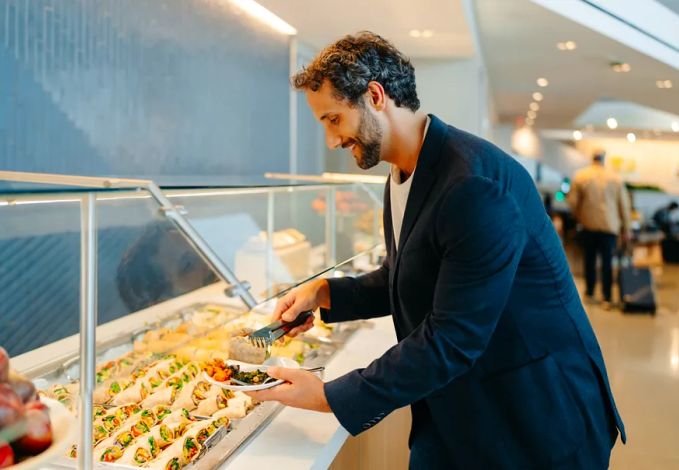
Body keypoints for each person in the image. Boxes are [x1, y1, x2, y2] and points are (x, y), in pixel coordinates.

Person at [247, 32, 625, 469]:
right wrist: (325, 292)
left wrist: (331, 396)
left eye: (333, 119)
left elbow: (454, 337)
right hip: (461, 406)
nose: (332, 140)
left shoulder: (472, 186)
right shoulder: (404, 169)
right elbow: (408, 273)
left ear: (375, 96)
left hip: (531, 417)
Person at [569, 151, 631, 307]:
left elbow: (572, 202)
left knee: (589, 260)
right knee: (607, 261)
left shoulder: (581, 176)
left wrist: (578, 217)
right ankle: (607, 296)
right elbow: (624, 205)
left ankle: (589, 292)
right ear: (604, 159)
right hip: (609, 227)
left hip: (588, 225)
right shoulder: (615, 178)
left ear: (592, 159)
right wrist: (626, 229)